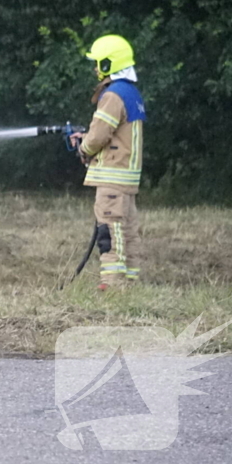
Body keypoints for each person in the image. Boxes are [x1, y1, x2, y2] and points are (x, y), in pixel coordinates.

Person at [69, 35, 146, 290]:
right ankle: (130, 281)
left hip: (113, 176)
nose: (95, 68)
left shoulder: (112, 95)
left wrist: (84, 147)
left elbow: (101, 132)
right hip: (127, 176)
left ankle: (112, 283)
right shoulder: (131, 92)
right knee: (127, 230)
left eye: (98, 62)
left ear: (108, 64)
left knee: (109, 229)